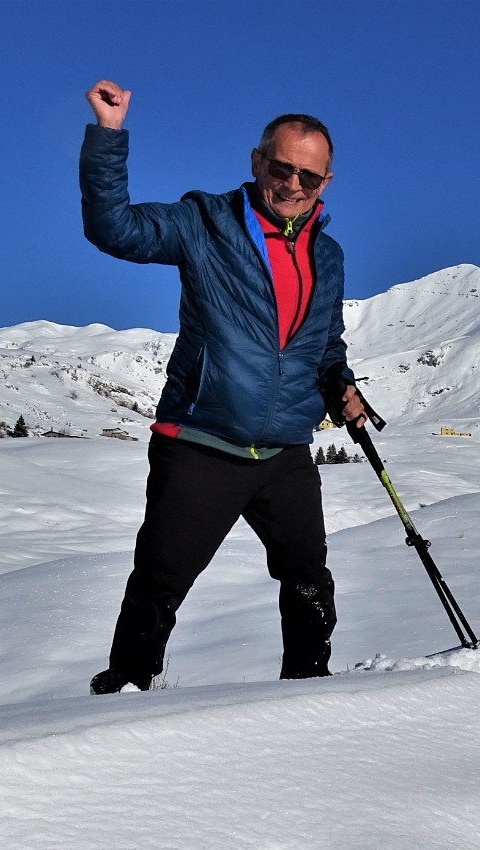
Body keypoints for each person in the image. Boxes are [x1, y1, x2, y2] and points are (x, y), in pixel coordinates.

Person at [81, 80, 366, 694]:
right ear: (257, 161)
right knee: (160, 582)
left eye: (309, 178)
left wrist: (341, 384)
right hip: (201, 442)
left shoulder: (329, 255)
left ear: (326, 184)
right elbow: (114, 228)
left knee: (309, 581)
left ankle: (310, 694)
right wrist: (109, 136)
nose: (293, 185)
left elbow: (325, 343)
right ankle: (124, 695)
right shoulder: (203, 224)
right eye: (283, 168)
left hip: (284, 453)